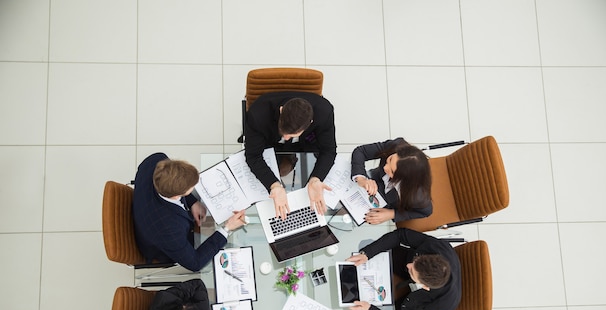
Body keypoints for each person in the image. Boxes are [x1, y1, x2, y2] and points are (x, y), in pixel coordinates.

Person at [133, 152, 246, 272]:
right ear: (177, 195)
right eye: (190, 188)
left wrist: (192, 202)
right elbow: (195, 263)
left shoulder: (156, 160)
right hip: (164, 244)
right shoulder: (168, 229)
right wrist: (227, 228)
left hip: (149, 208)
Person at [347, 228, 461, 310]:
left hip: (410, 301)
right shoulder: (438, 247)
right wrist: (367, 253)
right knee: (358, 252)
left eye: (412, 271)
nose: (409, 266)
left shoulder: (444, 305)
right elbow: (400, 235)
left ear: (425, 287)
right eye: (416, 262)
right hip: (399, 260)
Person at [244, 91, 337, 219]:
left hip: (305, 146)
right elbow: (253, 156)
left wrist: (316, 178)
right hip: (269, 144)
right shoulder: (257, 114)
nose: (286, 138)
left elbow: (329, 151)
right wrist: (274, 185)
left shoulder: (324, 111)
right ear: (281, 110)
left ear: (310, 122)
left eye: (291, 135)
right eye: (284, 132)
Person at [351, 137, 432, 224]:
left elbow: (426, 212)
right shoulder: (396, 145)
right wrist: (361, 178)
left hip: (383, 203)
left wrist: (392, 214)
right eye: (390, 159)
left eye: (392, 171)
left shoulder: (418, 197)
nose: (386, 167)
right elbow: (360, 151)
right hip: (373, 178)